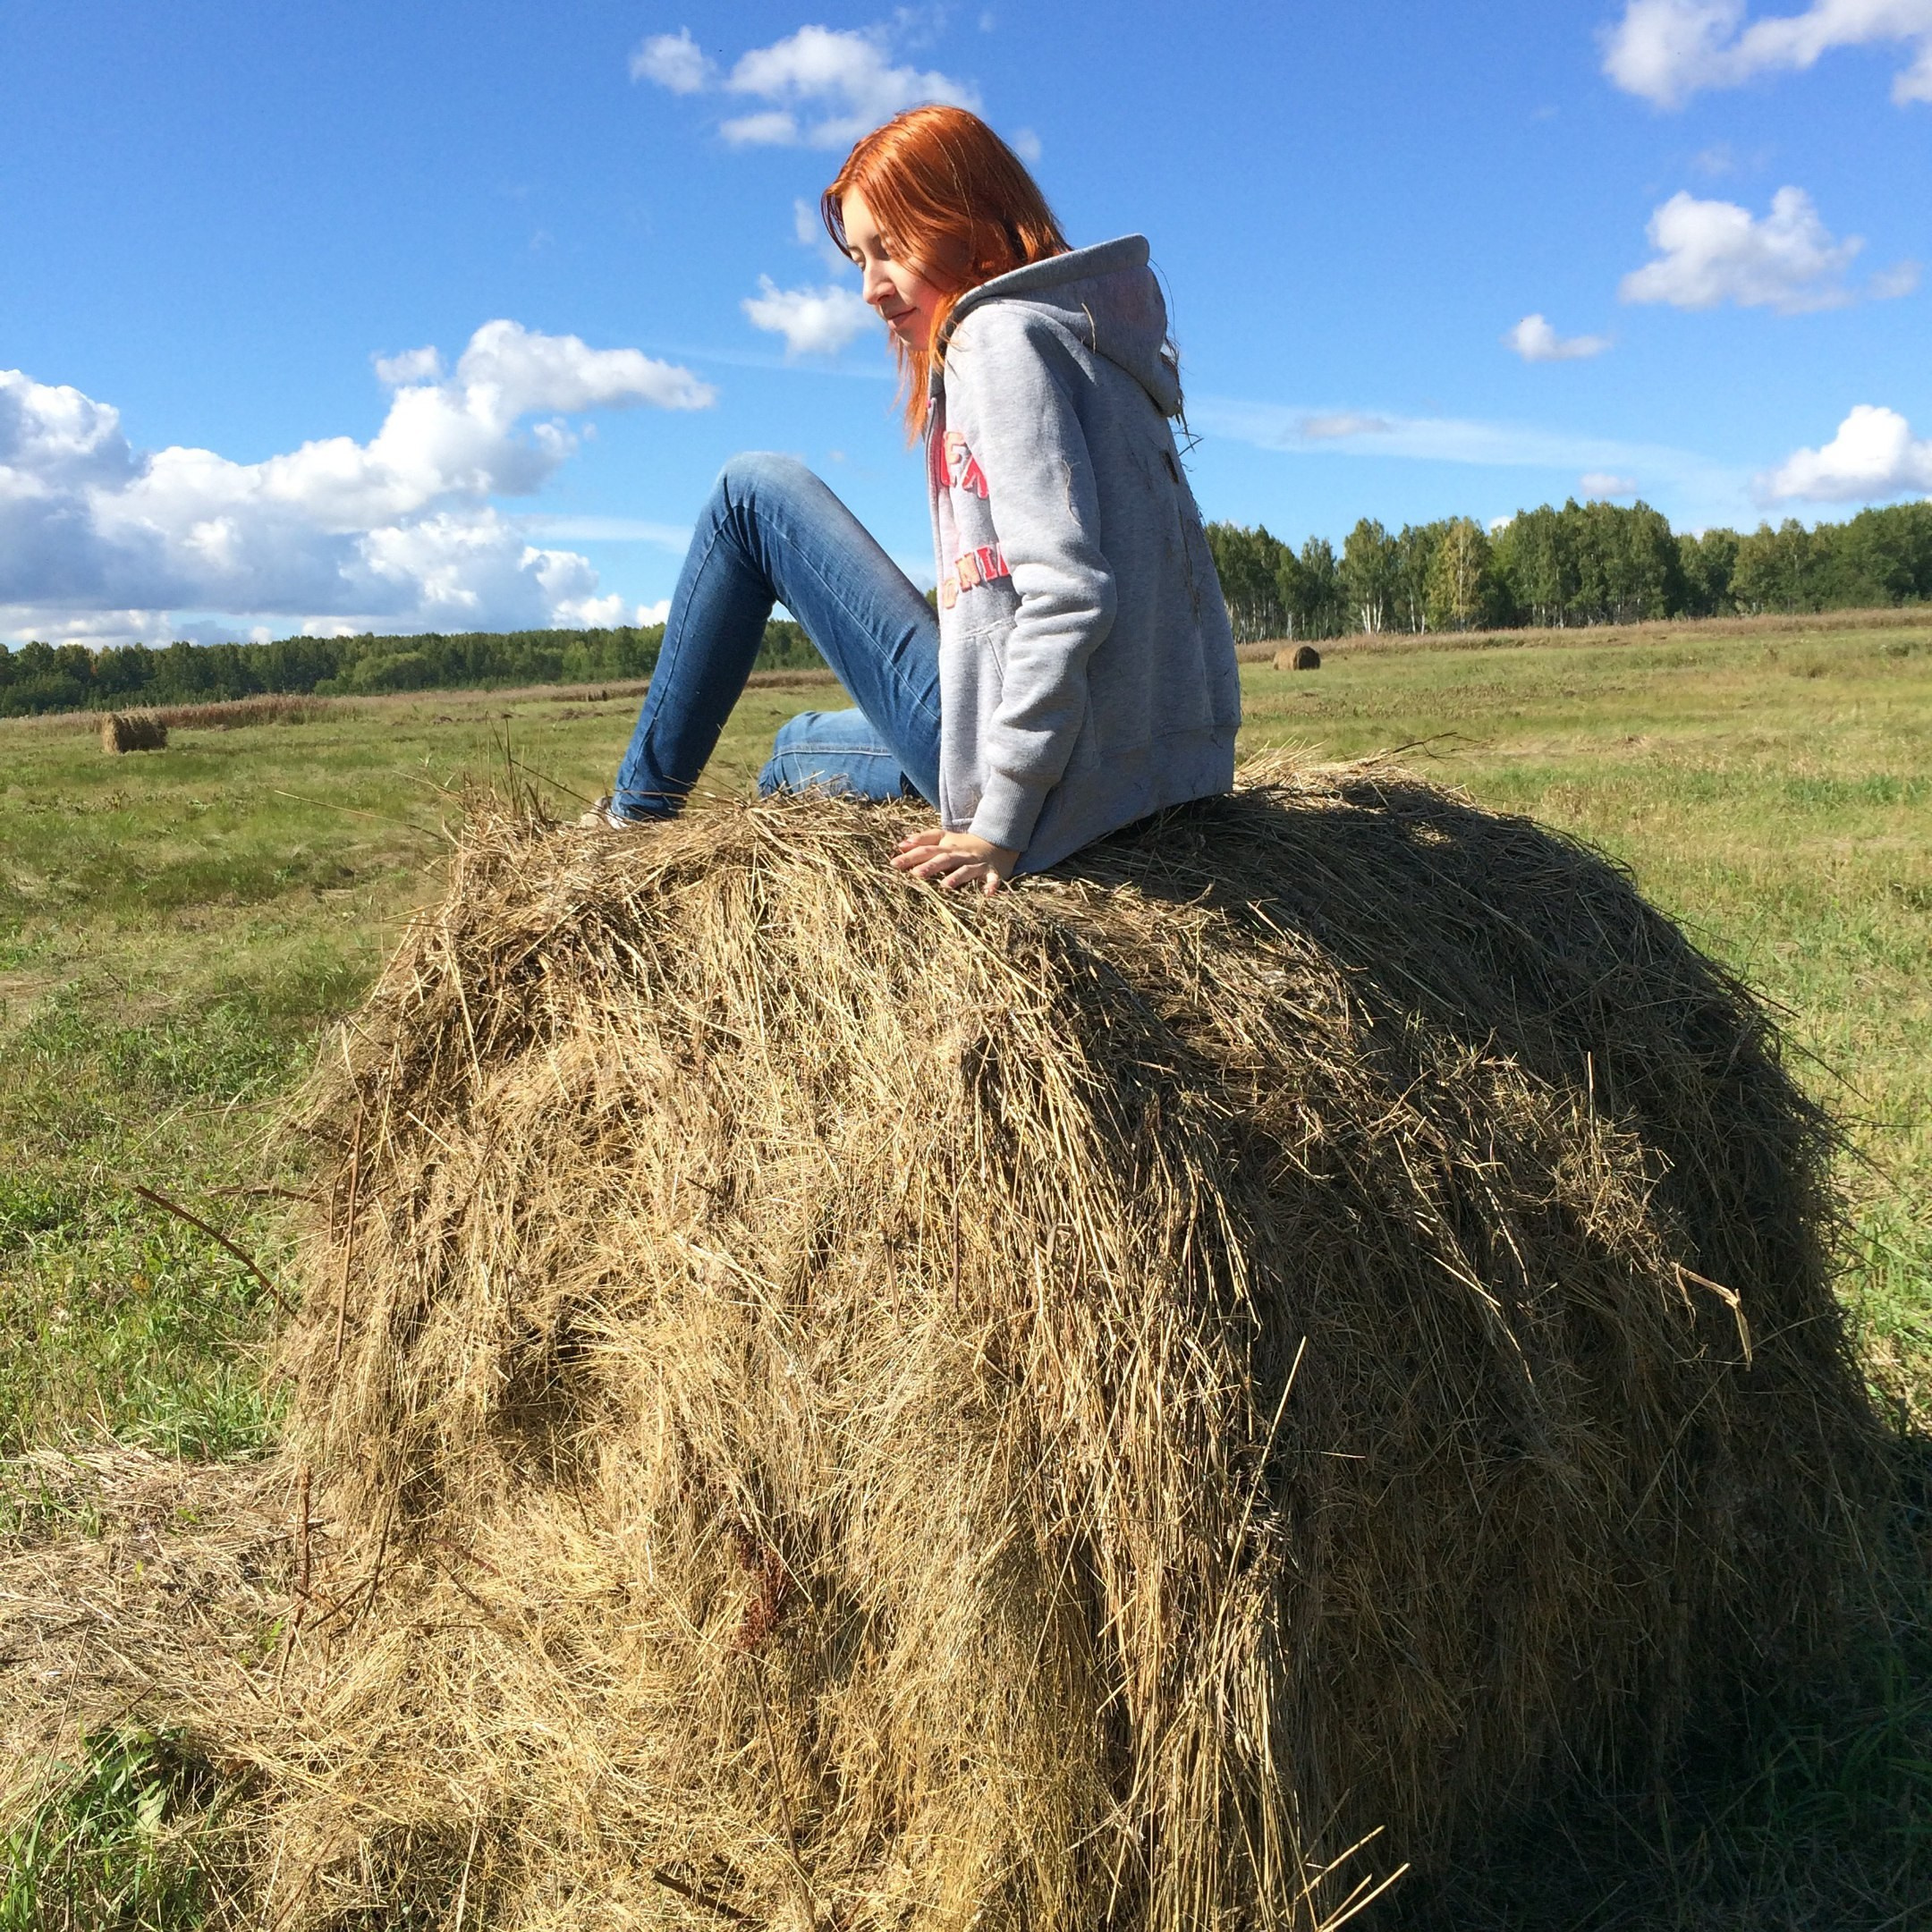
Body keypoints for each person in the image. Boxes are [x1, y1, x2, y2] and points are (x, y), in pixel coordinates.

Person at [591, 105, 1240, 894]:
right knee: (802, 741)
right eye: (859, 259)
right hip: (1151, 765)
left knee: (751, 498)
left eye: (890, 248)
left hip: (1065, 782)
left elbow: (1071, 594)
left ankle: (627, 827)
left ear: (967, 220)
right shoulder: (1095, 343)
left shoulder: (996, 342)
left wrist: (997, 824)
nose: (869, 288)